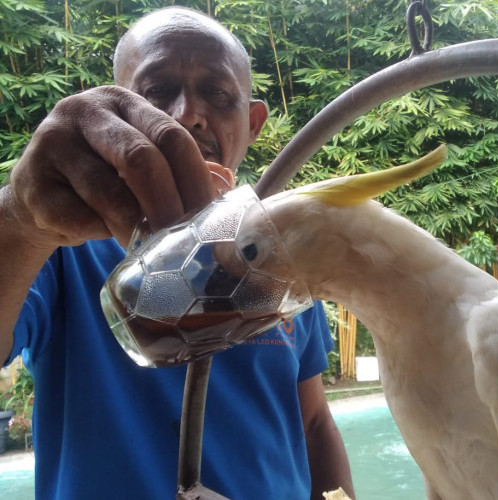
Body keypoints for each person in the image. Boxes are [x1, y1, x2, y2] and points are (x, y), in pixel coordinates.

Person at [0, 6, 355, 500]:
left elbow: (313, 420)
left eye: (217, 93)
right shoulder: (62, 244)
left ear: (252, 124)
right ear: (114, 110)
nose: (187, 114)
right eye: (156, 91)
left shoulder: (276, 249)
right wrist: (18, 218)